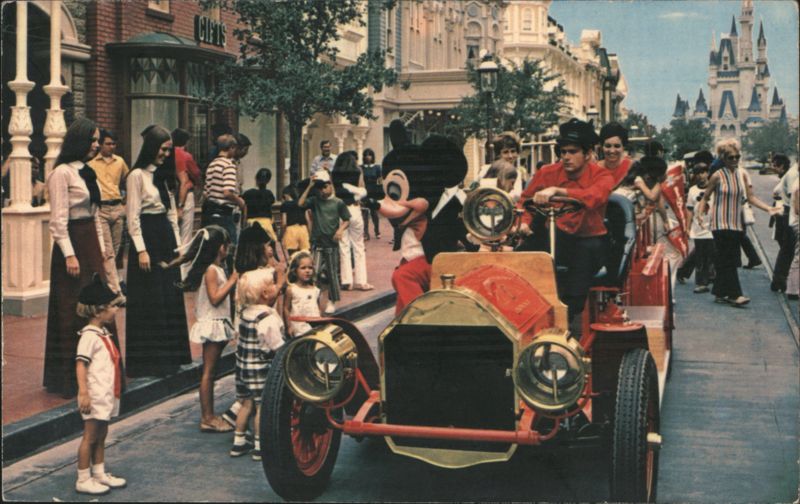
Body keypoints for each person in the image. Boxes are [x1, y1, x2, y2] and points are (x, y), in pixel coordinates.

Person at [44, 118, 120, 397]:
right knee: (71, 308)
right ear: (79, 141)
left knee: (99, 301)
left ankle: (102, 370)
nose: (97, 145)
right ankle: (70, 379)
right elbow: (58, 220)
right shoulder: (61, 173)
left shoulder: (87, 172)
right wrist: (69, 255)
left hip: (90, 242)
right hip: (73, 245)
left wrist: (100, 249)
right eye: (92, 140)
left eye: (98, 140)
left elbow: (96, 214)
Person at [516, 118, 613, 331]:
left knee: (583, 262)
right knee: (521, 256)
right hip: (556, 235)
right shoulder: (547, 173)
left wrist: (558, 191)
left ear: (587, 154)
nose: (566, 157)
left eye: (572, 151)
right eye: (562, 152)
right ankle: (522, 312)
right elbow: (525, 202)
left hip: (589, 239)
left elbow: (594, 197)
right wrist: (524, 223)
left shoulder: (602, 175)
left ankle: (566, 319)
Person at [125, 125, 191, 377]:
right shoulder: (136, 176)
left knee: (169, 296)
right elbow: (133, 217)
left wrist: (178, 248)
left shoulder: (162, 177)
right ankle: (151, 362)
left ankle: (173, 357)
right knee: (151, 299)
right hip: (148, 239)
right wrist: (141, 250)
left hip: (164, 239)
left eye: (168, 150)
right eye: (163, 149)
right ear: (152, 148)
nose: (166, 154)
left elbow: (172, 213)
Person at [696, 139, 780, 306]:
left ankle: (719, 291)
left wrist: (768, 209)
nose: (735, 160)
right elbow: (705, 197)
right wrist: (699, 214)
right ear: (723, 158)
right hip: (720, 223)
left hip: (736, 222)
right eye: (731, 158)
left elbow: (751, 197)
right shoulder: (717, 176)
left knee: (728, 258)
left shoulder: (741, 175)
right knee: (728, 259)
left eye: (737, 157)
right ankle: (735, 294)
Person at [175, 226, 238, 432]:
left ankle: (209, 414)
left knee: (212, 372)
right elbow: (215, 297)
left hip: (218, 321)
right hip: (212, 323)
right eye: (226, 245)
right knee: (208, 373)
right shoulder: (211, 270)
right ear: (220, 248)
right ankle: (207, 417)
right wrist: (233, 280)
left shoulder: (216, 268)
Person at [74, 275, 127, 495]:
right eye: (113, 307)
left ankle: (99, 472)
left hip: (106, 393)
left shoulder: (103, 333)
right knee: (90, 436)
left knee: (102, 434)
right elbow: (80, 364)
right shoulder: (88, 336)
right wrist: (83, 392)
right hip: (94, 394)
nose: (116, 310)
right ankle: (83, 478)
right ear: (98, 311)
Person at [232, 268, 285, 460]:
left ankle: (238, 442)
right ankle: (259, 445)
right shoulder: (267, 318)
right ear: (265, 293)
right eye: (272, 283)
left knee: (246, 403)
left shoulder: (245, 313)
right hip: (261, 369)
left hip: (243, 367)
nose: (275, 286)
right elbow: (277, 346)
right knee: (261, 406)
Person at [298, 169, 350, 314]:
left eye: (325, 186)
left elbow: (347, 219)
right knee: (314, 272)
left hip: (331, 244)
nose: (322, 190)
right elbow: (301, 203)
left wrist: (340, 230)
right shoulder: (315, 201)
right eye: (319, 187)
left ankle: (332, 300)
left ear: (330, 185)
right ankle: (313, 299)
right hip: (317, 243)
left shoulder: (338, 203)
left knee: (332, 273)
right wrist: (309, 186)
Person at [88, 129, 129, 295]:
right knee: (108, 251)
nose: (111, 147)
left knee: (116, 250)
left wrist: (125, 204)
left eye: (113, 144)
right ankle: (115, 290)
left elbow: (129, 181)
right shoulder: (91, 164)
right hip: (102, 209)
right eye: (108, 143)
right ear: (101, 145)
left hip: (117, 208)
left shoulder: (120, 162)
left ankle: (107, 282)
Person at [333, 151, 373, 291]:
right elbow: (363, 190)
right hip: (354, 209)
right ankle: (362, 281)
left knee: (344, 246)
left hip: (341, 210)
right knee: (359, 246)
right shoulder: (357, 172)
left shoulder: (335, 175)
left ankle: (346, 281)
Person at [202, 134, 244, 249]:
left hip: (210, 212)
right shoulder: (229, 165)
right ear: (231, 147)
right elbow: (227, 192)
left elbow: (206, 192)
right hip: (224, 213)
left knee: (212, 247)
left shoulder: (212, 164)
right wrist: (240, 201)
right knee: (230, 247)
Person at [172, 128, 201, 269]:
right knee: (185, 234)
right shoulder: (186, 156)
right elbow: (196, 174)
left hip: (170, 195)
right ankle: (183, 271)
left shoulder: (166, 154)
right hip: (185, 195)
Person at [685, 163, 715, 293]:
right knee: (700, 257)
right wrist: (687, 227)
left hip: (714, 227)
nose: (701, 176)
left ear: (708, 173)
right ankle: (701, 283)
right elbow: (690, 210)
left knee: (713, 255)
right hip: (698, 228)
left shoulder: (715, 188)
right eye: (698, 173)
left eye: (703, 172)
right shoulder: (692, 190)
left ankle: (712, 277)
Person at [770, 154, 798, 292]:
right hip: (790, 213)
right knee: (788, 249)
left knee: (788, 249)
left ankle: (779, 280)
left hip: (787, 213)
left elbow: (776, 191)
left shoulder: (792, 172)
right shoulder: (793, 174)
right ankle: (780, 280)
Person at [284, 250, 321, 338]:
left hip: (314, 327)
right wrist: (289, 326)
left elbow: (318, 307)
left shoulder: (315, 290)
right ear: (295, 270)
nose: (307, 271)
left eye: (310, 268)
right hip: (298, 329)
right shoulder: (292, 289)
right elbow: (286, 308)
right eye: (303, 268)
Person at [243, 168, 278, 243]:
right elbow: (270, 210)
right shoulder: (269, 194)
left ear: (256, 178)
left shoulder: (248, 193)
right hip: (267, 223)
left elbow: (245, 212)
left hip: (252, 223)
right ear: (268, 181)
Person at [598, 122, 633, 188]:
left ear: (623, 147)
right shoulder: (594, 169)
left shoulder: (631, 167)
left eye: (617, 146)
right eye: (608, 146)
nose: (612, 151)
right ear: (602, 146)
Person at [279, 184, 311, 256]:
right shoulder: (302, 204)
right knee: (305, 254)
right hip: (303, 229)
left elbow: (284, 222)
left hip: (291, 230)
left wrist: (281, 235)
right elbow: (308, 220)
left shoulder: (285, 205)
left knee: (292, 255)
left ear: (286, 195)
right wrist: (310, 233)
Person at [361, 148, 382, 239]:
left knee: (374, 213)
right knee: (365, 213)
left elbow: (380, 180)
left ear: (372, 156)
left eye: (370, 155)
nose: (368, 157)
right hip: (364, 191)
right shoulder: (361, 168)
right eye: (366, 155)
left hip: (374, 191)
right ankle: (366, 233)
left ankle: (377, 231)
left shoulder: (377, 167)